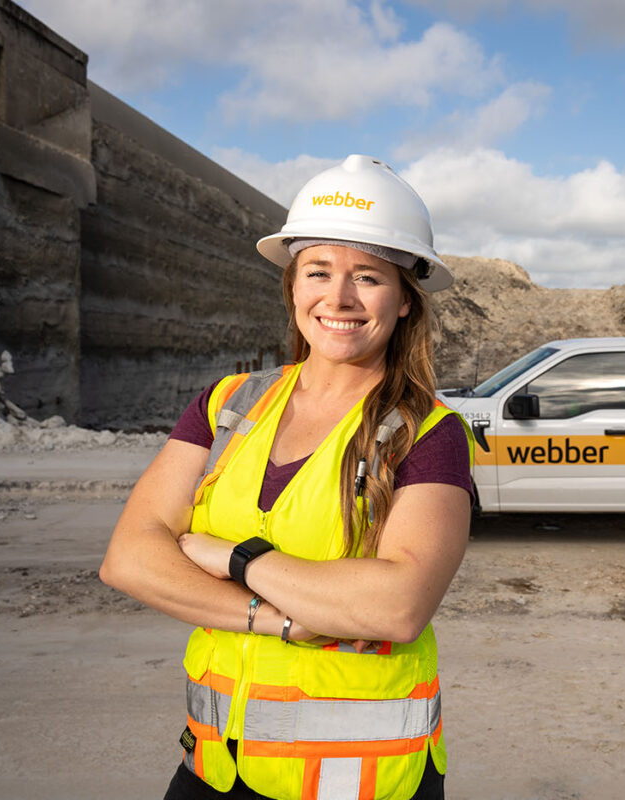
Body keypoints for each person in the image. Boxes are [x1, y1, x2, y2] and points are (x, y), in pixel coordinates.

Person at [100, 154, 474, 800]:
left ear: (407, 300)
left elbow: (397, 604)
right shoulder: (228, 404)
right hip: (215, 769)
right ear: (293, 286)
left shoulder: (430, 434)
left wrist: (234, 558)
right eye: (319, 272)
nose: (340, 299)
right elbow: (129, 558)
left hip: (361, 782)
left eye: (368, 277)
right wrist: (269, 618)